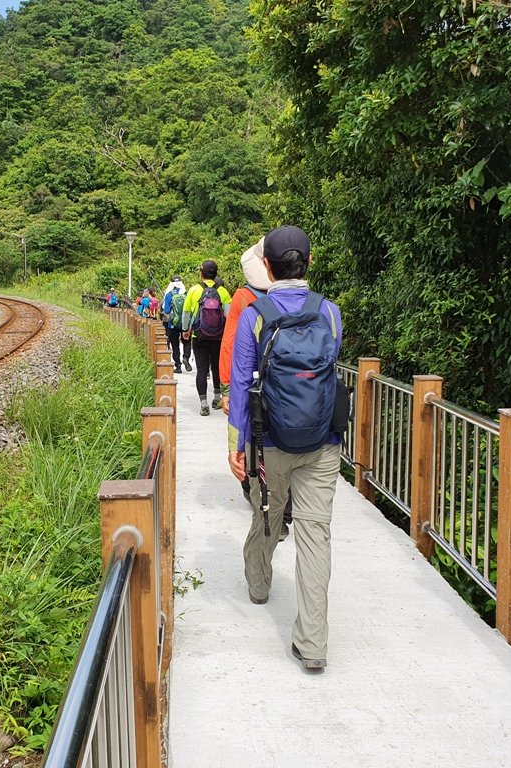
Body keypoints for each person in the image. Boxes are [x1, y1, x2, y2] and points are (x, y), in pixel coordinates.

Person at [227, 225, 343, 672]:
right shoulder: (331, 313)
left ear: (269, 268)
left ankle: (258, 585)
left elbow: (241, 382)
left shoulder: (256, 314)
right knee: (316, 535)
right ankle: (313, 645)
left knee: (266, 513)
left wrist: (241, 442)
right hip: (322, 442)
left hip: (270, 440)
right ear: (309, 263)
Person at [222, 239, 293, 541]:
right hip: (291, 391)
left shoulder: (244, 297)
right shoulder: (299, 299)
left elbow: (231, 343)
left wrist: (226, 386)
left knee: (253, 446)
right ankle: (285, 515)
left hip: (254, 389)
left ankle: (260, 501)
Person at [182, 260, 232, 416]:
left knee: (202, 369)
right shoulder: (223, 291)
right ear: (216, 273)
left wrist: (185, 330)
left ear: (201, 273)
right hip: (218, 337)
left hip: (199, 336)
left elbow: (186, 313)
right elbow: (229, 316)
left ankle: (203, 404)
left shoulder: (194, 290)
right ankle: (217, 398)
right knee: (217, 367)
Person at [161, 275, 191, 373]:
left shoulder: (169, 294)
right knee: (186, 341)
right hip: (184, 322)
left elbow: (165, 310)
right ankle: (186, 357)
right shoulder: (186, 293)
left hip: (172, 324)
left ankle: (178, 366)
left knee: (175, 344)